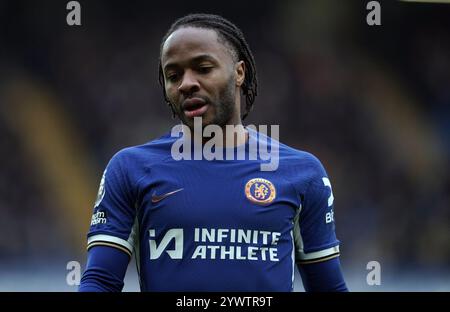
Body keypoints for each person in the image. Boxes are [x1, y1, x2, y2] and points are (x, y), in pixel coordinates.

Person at [79, 13, 348, 292]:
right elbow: (100, 282)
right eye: (173, 75)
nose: (186, 83)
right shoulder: (130, 169)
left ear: (239, 73)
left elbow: (328, 288)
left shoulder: (302, 173)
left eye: (204, 68)